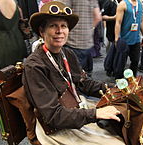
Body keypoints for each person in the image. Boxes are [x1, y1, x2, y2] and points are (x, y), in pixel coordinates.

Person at [22, 1, 125, 144]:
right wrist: (94, 114)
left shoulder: (67, 53)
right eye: (53, 26)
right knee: (117, 142)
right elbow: (53, 115)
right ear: (41, 31)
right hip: (54, 127)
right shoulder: (35, 66)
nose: (60, 31)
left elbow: (84, 83)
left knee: (121, 124)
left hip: (74, 108)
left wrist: (112, 89)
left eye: (63, 26)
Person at [58, 0, 102, 77]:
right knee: (86, 76)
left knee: (74, 77)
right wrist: (89, 29)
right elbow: (98, 17)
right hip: (88, 42)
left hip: (73, 42)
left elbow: (62, 13)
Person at [115, 0, 143, 77]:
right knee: (120, 64)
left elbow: (141, 21)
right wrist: (117, 39)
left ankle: (132, 82)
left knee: (135, 62)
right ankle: (119, 82)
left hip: (136, 39)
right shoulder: (123, 4)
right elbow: (118, 22)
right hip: (124, 39)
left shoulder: (141, 5)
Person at [0, 0, 27, 69]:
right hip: (19, 44)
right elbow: (21, 21)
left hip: (0, 49)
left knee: (3, 77)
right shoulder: (14, 2)